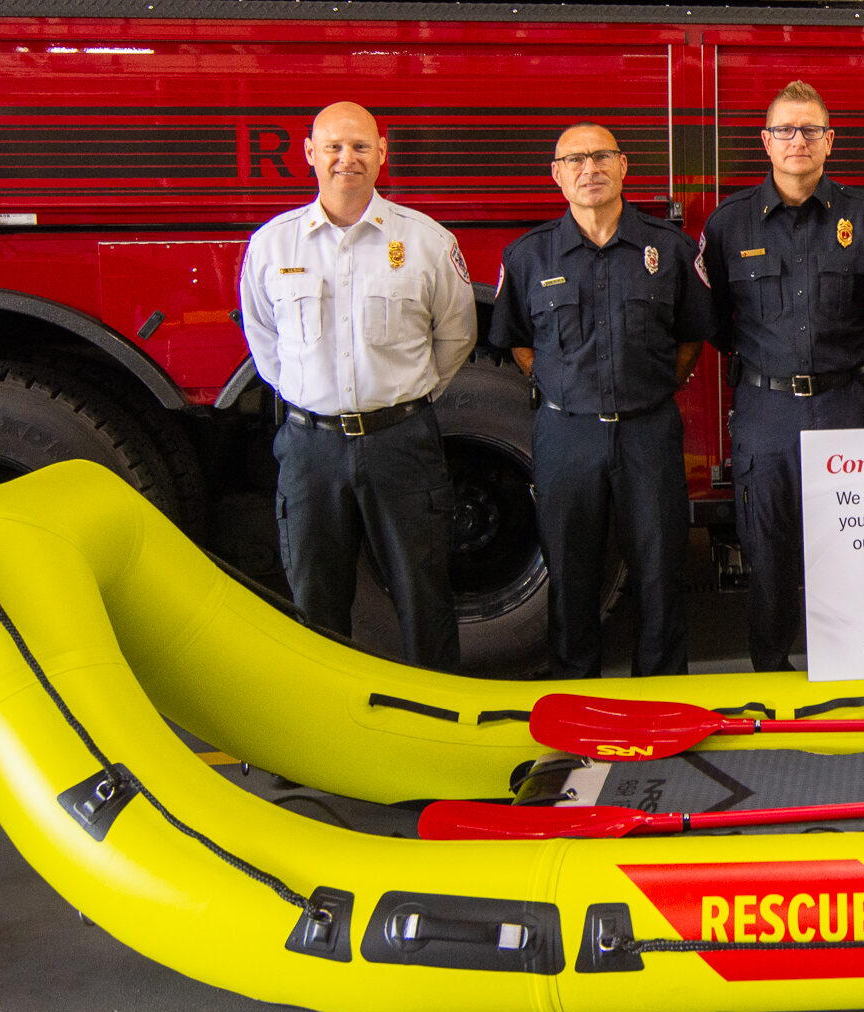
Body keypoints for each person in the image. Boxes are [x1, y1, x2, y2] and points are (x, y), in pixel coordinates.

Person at [239, 100, 473, 670]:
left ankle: (435, 720)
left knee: (425, 595)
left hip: (401, 443)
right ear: (310, 155)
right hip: (309, 447)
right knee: (316, 599)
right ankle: (332, 733)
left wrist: (403, 402)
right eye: (335, 147)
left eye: (362, 146)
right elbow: (264, 341)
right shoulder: (274, 244)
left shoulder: (425, 241)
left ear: (382, 155)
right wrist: (313, 399)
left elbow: (457, 335)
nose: (349, 159)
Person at [488, 122, 716, 677]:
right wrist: (567, 390)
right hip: (567, 434)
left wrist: (654, 388)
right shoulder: (529, 258)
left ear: (623, 167)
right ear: (557, 177)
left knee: (659, 571)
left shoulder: (671, 249)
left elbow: (692, 338)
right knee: (571, 572)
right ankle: (575, 688)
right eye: (575, 160)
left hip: (648, 431)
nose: (589, 169)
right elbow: (518, 342)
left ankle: (661, 694)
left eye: (600, 157)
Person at [699, 81, 864, 672]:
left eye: (810, 129)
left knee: (854, 548)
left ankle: (855, 670)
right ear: (765, 141)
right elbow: (711, 320)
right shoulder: (728, 224)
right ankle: (773, 673)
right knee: (769, 551)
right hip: (767, 412)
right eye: (785, 129)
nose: (797, 140)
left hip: (847, 405)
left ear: (830, 141)